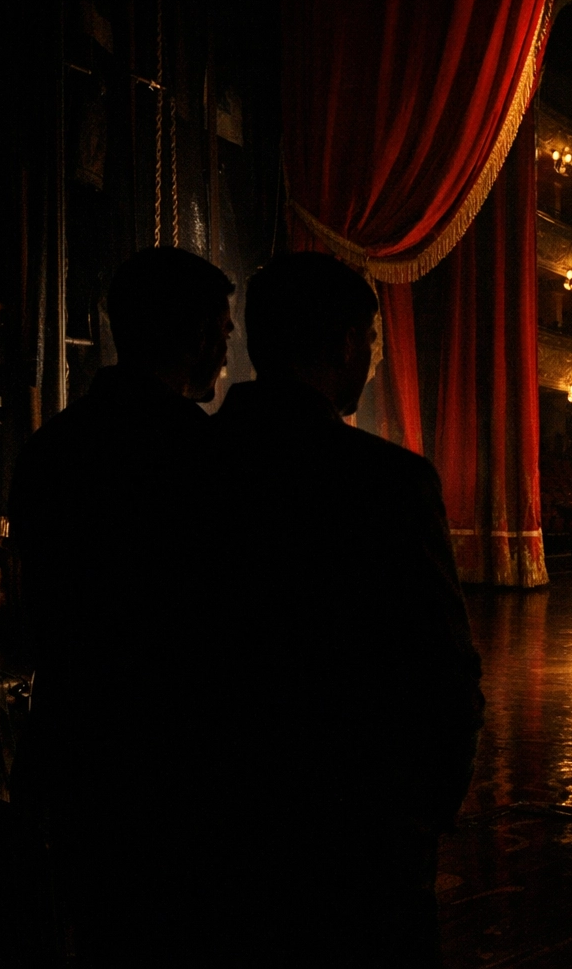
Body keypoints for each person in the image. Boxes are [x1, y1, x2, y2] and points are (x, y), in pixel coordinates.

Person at [212, 252, 482, 964]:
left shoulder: (177, 468)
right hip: (362, 825)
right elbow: (443, 665)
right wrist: (427, 806)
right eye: (372, 342)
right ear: (343, 346)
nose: (372, 360)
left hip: (212, 816)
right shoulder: (387, 481)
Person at [7, 246, 235, 963]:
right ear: (198, 335)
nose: (229, 348)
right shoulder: (209, 458)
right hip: (181, 767)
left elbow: (37, 610)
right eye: (225, 332)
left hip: (75, 748)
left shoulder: (52, 448)